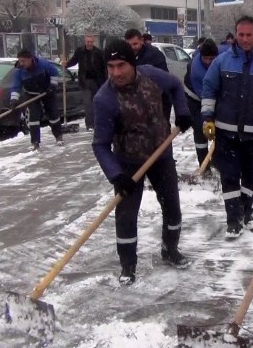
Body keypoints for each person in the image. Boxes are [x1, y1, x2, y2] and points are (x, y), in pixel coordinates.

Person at [92, 39, 193, 286]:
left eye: (121, 65)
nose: (116, 72)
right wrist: (116, 175)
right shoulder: (104, 99)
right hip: (128, 162)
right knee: (126, 216)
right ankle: (128, 264)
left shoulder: (152, 76)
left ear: (133, 64)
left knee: (172, 207)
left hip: (161, 154)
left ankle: (170, 249)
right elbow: (100, 145)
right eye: (111, 66)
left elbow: (177, 86)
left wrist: (182, 111)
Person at [201, 16, 253, 238]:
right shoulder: (222, 61)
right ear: (235, 35)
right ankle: (233, 220)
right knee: (229, 176)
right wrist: (207, 118)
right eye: (241, 34)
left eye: (249, 34)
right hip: (226, 131)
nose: (245, 39)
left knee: (249, 177)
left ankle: (246, 213)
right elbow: (209, 90)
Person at [10, 48, 63, 150]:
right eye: (20, 61)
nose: (21, 63)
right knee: (34, 118)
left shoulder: (43, 64)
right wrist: (13, 100)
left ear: (30, 59)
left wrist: (52, 86)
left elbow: (54, 73)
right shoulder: (19, 71)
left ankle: (58, 136)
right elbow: (16, 87)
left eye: (23, 61)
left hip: (47, 92)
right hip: (31, 94)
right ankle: (35, 142)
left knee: (53, 114)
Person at [184, 39, 219, 171]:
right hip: (195, 98)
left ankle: (216, 161)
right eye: (206, 58)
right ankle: (204, 166)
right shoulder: (196, 68)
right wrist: (208, 118)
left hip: (211, 97)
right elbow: (205, 95)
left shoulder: (220, 61)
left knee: (219, 129)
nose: (208, 62)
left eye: (212, 58)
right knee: (200, 129)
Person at [63, 35, 106, 131]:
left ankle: (97, 122)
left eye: (91, 42)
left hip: (96, 81)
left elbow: (103, 67)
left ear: (93, 42)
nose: (89, 44)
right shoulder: (80, 51)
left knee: (96, 102)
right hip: (85, 81)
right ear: (85, 42)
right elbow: (74, 60)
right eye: (88, 42)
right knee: (88, 104)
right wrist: (66, 64)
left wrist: (104, 80)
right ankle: (90, 124)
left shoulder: (98, 52)